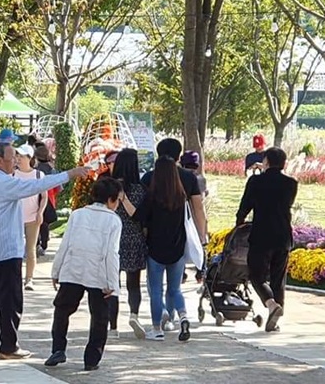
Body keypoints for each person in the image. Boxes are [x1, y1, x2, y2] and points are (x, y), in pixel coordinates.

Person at [0, 142, 91, 359]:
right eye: (11, 157)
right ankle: (8, 346)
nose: (15, 161)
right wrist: (69, 174)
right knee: (10, 300)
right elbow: (35, 186)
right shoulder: (3, 182)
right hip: (6, 250)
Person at [45, 177, 123, 371]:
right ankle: (91, 359)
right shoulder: (113, 220)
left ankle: (58, 348)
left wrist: (56, 270)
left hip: (73, 268)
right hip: (99, 274)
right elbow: (112, 254)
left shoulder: (77, 214)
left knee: (62, 309)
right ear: (111, 200)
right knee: (99, 317)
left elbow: (65, 244)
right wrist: (113, 284)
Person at [135, 138, 207, 342]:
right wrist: (201, 236)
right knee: (175, 288)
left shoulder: (149, 178)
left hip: (155, 242)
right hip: (179, 241)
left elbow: (142, 213)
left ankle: (157, 328)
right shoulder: (188, 178)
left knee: (155, 288)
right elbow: (198, 209)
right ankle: (180, 317)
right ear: (179, 155)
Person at [236, 147, 298, 333]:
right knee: (278, 279)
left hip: (262, 234)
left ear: (266, 162)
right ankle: (276, 318)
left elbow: (245, 204)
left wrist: (239, 221)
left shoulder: (256, 181)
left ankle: (271, 304)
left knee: (256, 275)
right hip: (283, 236)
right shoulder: (291, 183)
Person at [108, 148, 149, 339]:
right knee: (134, 283)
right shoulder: (140, 189)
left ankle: (113, 327)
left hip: (112, 238)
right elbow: (140, 216)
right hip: (134, 238)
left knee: (112, 284)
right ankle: (134, 315)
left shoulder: (109, 186)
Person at [13, 144, 48, 290]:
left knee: (30, 249)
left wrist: (40, 212)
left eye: (22, 156)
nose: (18, 159)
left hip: (32, 217)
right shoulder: (13, 174)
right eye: (17, 156)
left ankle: (29, 278)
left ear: (30, 158)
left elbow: (44, 197)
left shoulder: (39, 175)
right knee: (14, 250)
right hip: (14, 218)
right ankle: (15, 277)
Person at [34, 143, 58, 257]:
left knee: (37, 221)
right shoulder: (52, 170)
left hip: (36, 199)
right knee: (45, 223)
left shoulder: (35, 170)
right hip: (51, 198)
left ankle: (37, 243)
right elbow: (59, 187)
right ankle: (44, 244)